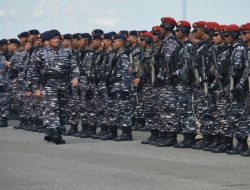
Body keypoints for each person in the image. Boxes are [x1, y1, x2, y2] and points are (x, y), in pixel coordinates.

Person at [29, 29, 79, 144]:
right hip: (49, 84)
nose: (57, 40)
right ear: (48, 40)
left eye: (58, 38)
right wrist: (36, 88)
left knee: (62, 108)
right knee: (52, 108)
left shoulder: (67, 52)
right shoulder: (41, 53)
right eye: (54, 38)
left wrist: (75, 77)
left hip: (64, 84)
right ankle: (56, 133)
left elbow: (74, 66)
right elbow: (35, 72)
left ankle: (53, 131)